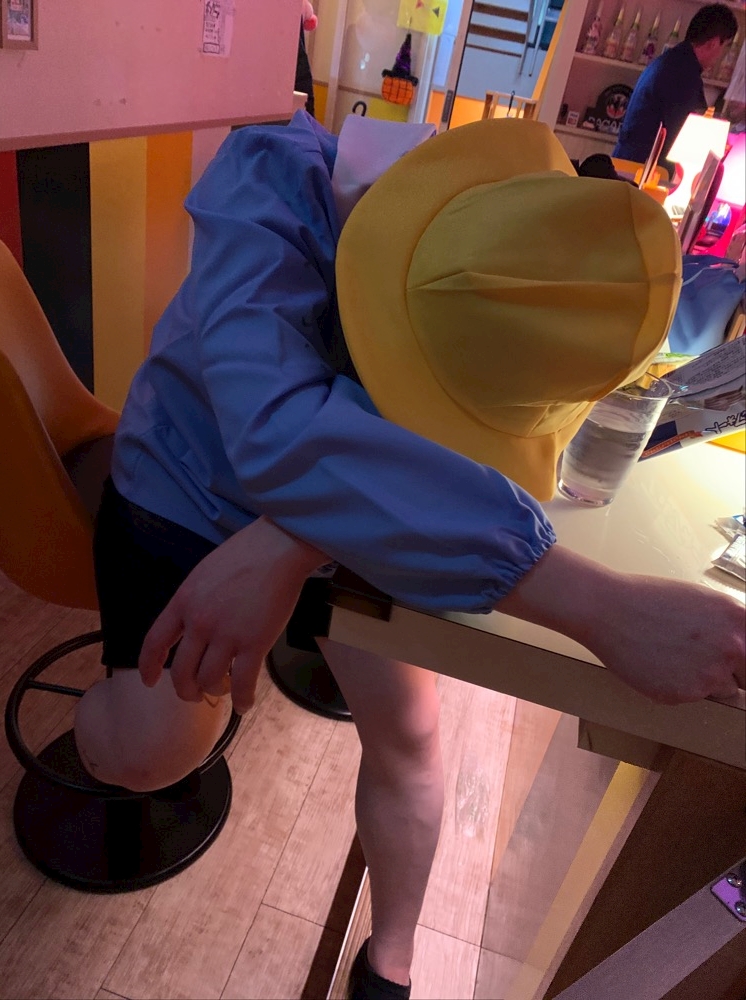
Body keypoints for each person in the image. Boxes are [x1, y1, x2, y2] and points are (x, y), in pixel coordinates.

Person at [75, 112, 745, 1000]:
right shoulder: (269, 184)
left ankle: (390, 960)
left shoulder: (517, 273)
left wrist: (290, 541)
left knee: (411, 731)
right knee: (150, 750)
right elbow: (277, 426)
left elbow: (379, 453)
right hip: (184, 484)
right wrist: (600, 606)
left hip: (355, 509)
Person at [613, 4, 738, 173]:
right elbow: (688, 136)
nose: (721, 55)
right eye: (725, 47)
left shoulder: (672, 61)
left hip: (629, 164)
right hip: (639, 171)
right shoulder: (683, 74)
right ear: (714, 43)